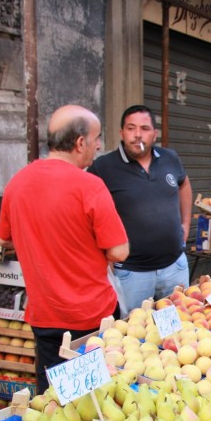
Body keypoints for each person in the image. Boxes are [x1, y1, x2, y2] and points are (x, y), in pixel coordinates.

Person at [0, 105, 129, 392]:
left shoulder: (16, 183)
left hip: (45, 315)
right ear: (80, 142)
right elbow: (119, 251)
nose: (98, 146)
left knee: (54, 400)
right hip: (91, 317)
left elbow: (5, 238)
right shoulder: (90, 186)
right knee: (96, 399)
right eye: (96, 139)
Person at [89, 105, 193, 311]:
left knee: (177, 332)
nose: (138, 135)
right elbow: (87, 210)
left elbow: (184, 184)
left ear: (154, 134)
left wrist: (186, 224)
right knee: (135, 335)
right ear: (121, 133)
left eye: (145, 129)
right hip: (131, 274)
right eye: (131, 128)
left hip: (174, 267)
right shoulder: (103, 167)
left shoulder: (170, 158)